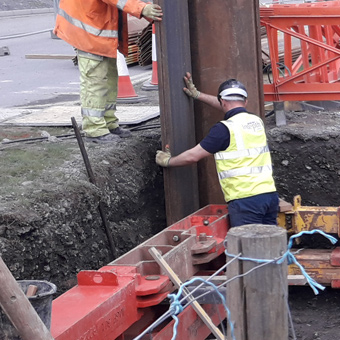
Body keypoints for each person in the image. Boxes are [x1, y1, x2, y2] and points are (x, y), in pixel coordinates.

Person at [155, 76, 280, 227]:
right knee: (271, 239)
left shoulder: (224, 129)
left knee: (247, 241)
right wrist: (198, 95)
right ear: (245, 101)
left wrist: (168, 161)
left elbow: (193, 156)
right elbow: (231, 107)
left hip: (245, 200)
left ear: (222, 101)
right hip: (269, 196)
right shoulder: (256, 121)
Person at [55, 0, 162, 141]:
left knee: (110, 79)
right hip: (87, 30)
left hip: (98, 27)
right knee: (95, 81)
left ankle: (109, 122)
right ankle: (94, 128)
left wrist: (148, 10)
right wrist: (142, 9)